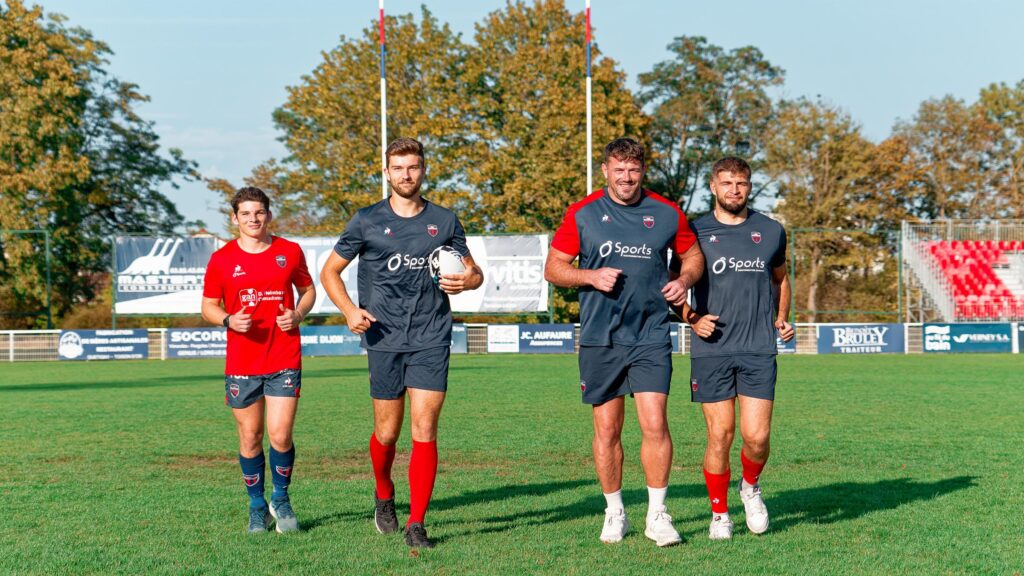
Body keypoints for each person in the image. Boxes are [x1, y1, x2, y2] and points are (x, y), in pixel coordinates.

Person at [320, 137, 484, 549]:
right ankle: (384, 494)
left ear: (423, 169)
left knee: (424, 429)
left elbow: (474, 272)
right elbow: (329, 273)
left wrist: (468, 281)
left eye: (413, 167)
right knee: (387, 432)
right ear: (387, 172)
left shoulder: (445, 221)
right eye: (398, 168)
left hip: (431, 335)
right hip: (383, 337)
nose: (406, 175)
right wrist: (349, 311)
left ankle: (417, 523)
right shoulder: (366, 220)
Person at [544, 138, 704, 547]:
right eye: (619, 170)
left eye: (633, 170)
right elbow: (554, 268)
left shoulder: (667, 214)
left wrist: (683, 280)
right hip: (601, 338)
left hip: (650, 335)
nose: (626, 177)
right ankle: (615, 511)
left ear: (642, 171)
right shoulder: (583, 213)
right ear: (605, 171)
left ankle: (657, 514)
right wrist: (589, 277)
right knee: (607, 430)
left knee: (655, 423)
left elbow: (694, 256)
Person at [681, 156, 794, 540]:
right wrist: (692, 318)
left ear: (749, 187)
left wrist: (781, 317)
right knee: (720, 435)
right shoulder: (694, 232)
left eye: (741, 183)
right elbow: (674, 284)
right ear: (712, 187)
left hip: (758, 348)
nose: (734, 190)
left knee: (757, 437)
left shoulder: (771, 230)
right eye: (726, 183)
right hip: (711, 348)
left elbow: (781, 278)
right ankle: (719, 514)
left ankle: (750, 487)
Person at [201, 186, 316, 534]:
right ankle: (256, 508)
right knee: (250, 437)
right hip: (242, 362)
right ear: (234, 219)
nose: (253, 219)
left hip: (283, 356)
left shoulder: (289, 251)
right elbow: (208, 306)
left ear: (268, 215)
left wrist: (297, 314)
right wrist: (228, 320)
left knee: (280, 435)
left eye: (259, 212)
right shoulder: (221, 259)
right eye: (245, 214)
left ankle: (280, 499)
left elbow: (308, 290)